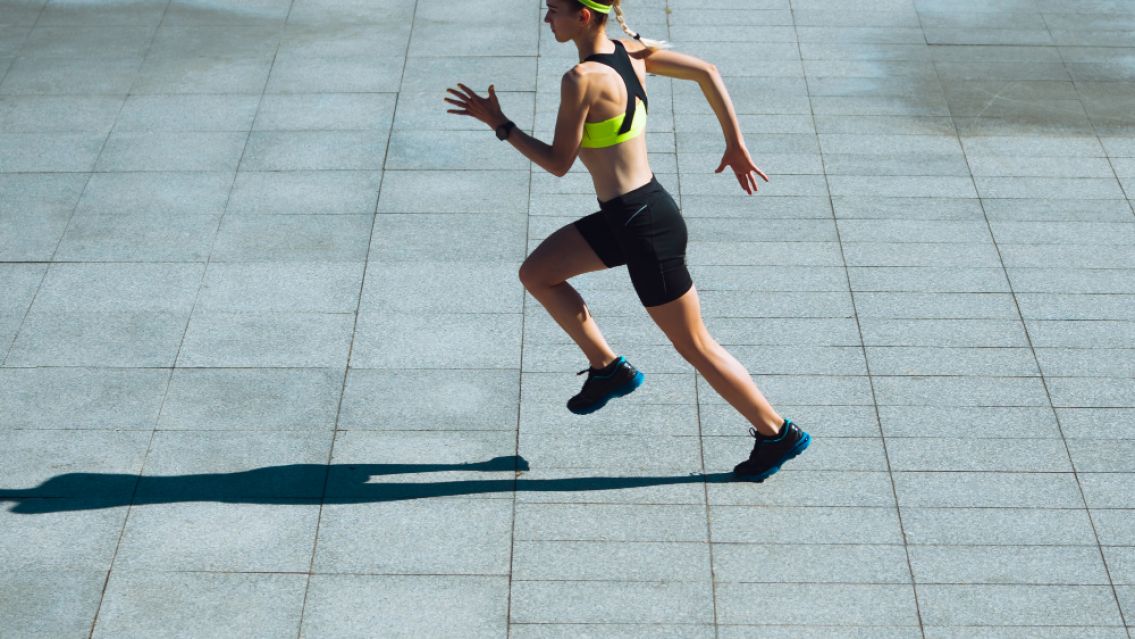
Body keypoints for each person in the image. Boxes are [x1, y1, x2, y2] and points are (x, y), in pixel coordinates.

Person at [444, 0, 810, 482]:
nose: (547, 18)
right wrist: (735, 142)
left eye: (554, 9)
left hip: (643, 228)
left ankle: (777, 431)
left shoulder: (581, 79)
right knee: (538, 273)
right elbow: (707, 71)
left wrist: (501, 125)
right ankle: (608, 368)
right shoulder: (630, 52)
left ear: (584, 17)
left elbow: (558, 163)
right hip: (634, 214)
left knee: (696, 344)